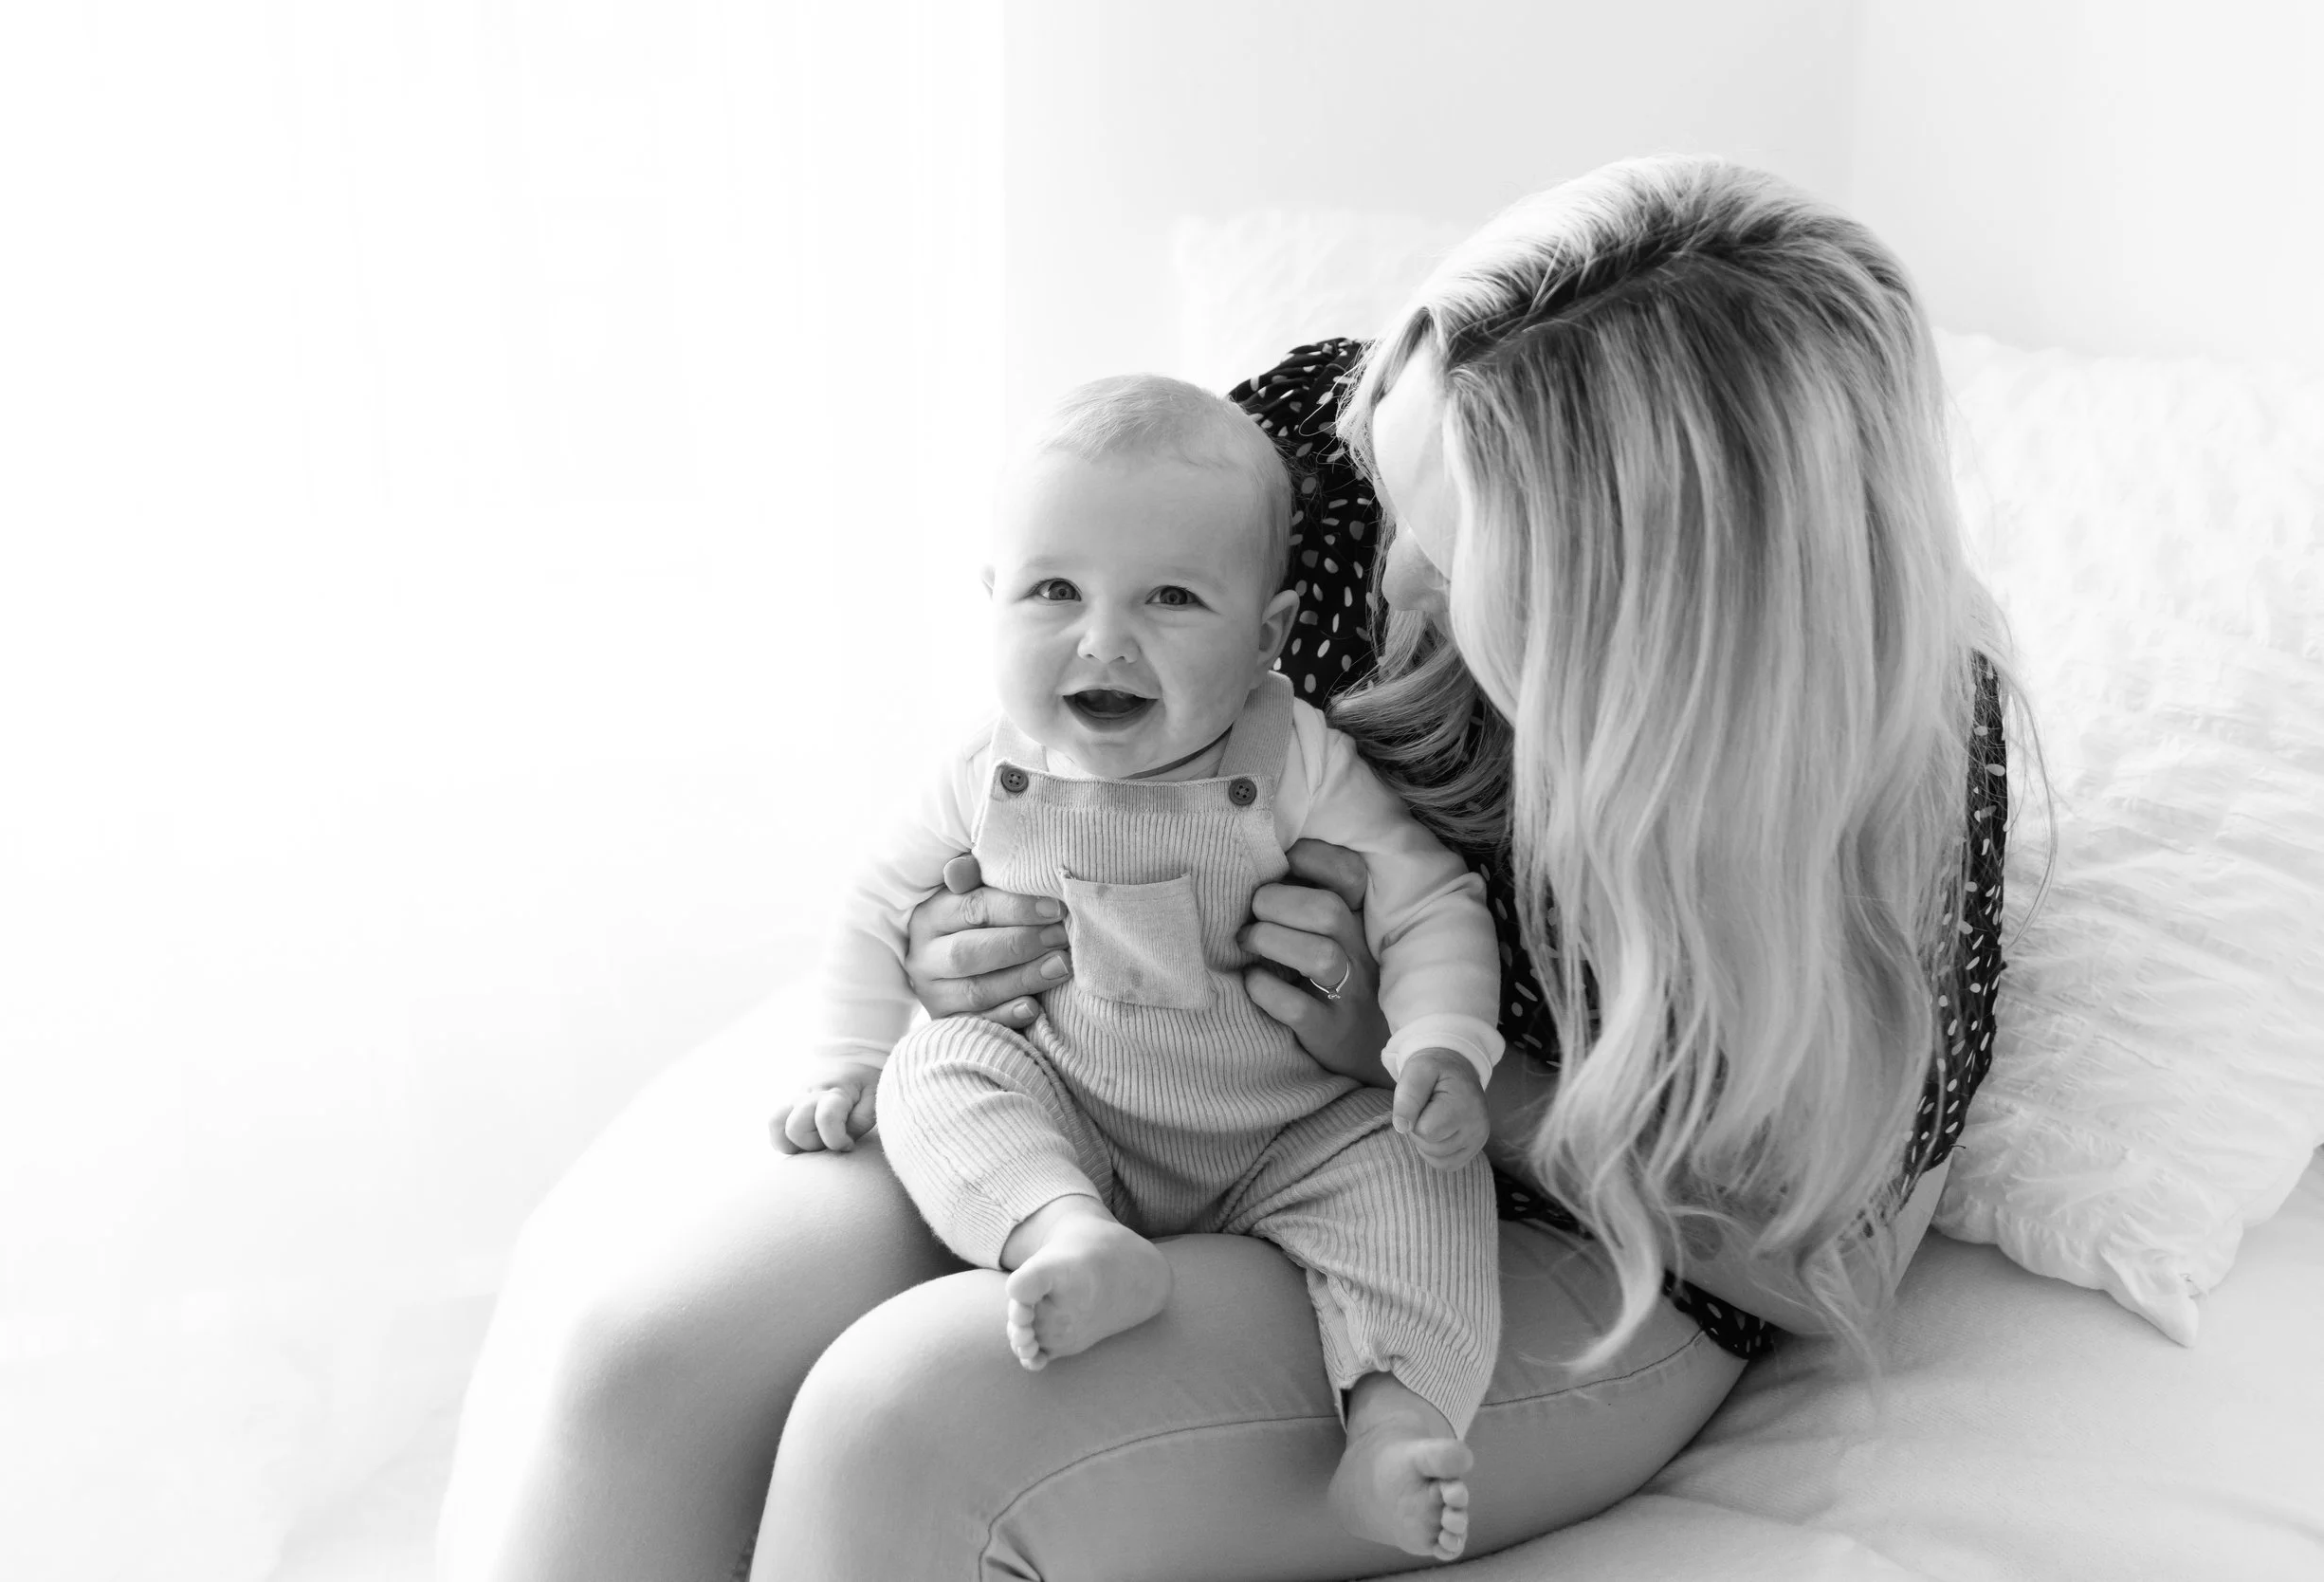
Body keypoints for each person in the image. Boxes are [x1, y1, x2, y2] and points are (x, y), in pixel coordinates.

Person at [436, 156, 2016, 1582]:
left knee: (904, 1427)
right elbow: (1072, 704)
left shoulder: (1885, 773)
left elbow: (1807, 1255)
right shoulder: (1343, 448)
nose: (1379, 571)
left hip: (1545, 1223)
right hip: (1139, 1071)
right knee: (645, 1358)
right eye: (1388, 489)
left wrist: (1419, 1059)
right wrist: (970, 931)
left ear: (1643, 646)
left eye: (1455, 571)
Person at [785, 372, 1508, 1560]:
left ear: (1267, 634)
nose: (1102, 638)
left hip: (1290, 1135)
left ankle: (1390, 1424)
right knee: (940, 1070)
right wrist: (849, 1056)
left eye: (1172, 598)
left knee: (1424, 1183)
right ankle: (1067, 1235)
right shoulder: (980, 768)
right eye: (1053, 591)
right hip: (1078, 1114)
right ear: (992, 603)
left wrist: (1440, 1047)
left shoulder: (1300, 759)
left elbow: (1432, 905)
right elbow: (875, 907)